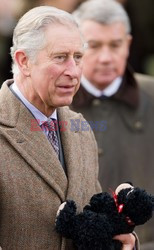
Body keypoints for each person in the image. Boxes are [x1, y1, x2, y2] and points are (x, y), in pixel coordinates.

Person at [0, 6, 137, 250]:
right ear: (24, 61)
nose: (74, 72)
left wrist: (121, 240)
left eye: (77, 57)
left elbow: (93, 216)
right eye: (60, 57)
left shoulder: (81, 128)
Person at [72, 0, 154, 249]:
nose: (106, 58)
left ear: (128, 44)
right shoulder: (51, 104)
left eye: (115, 45)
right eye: (93, 46)